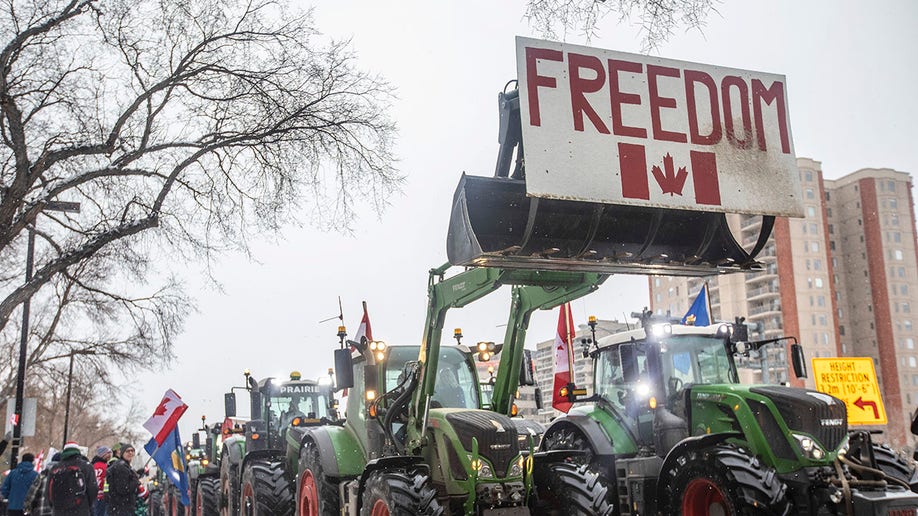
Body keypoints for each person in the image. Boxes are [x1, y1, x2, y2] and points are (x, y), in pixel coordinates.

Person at [48, 442, 97, 516]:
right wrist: (87, 504)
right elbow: (93, 489)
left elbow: (48, 492)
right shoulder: (86, 466)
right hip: (80, 509)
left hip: (59, 510)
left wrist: (55, 505)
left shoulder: (55, 468)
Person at [104, 444, 139, 516]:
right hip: (121, 507)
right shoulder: (121, 467)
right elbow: (123, 489)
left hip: (118, 506)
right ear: (122, 453)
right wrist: (135, 480)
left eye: (132, 451)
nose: (130, 453)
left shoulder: (124, 465)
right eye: (127, 451)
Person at [2, 452, 39, 516]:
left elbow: (5, 488)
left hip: (13, 506)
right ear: (32, 461)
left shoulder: (13, 473)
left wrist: (10, 497)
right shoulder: (35, 475)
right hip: (27, 508)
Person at [91, 446, 112, 516]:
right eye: (107, 453)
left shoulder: (92, 465)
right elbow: (106, 481)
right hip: (103, 496)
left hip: (94, 496)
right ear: (102, 455)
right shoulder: (105, 467)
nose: (109, 455)